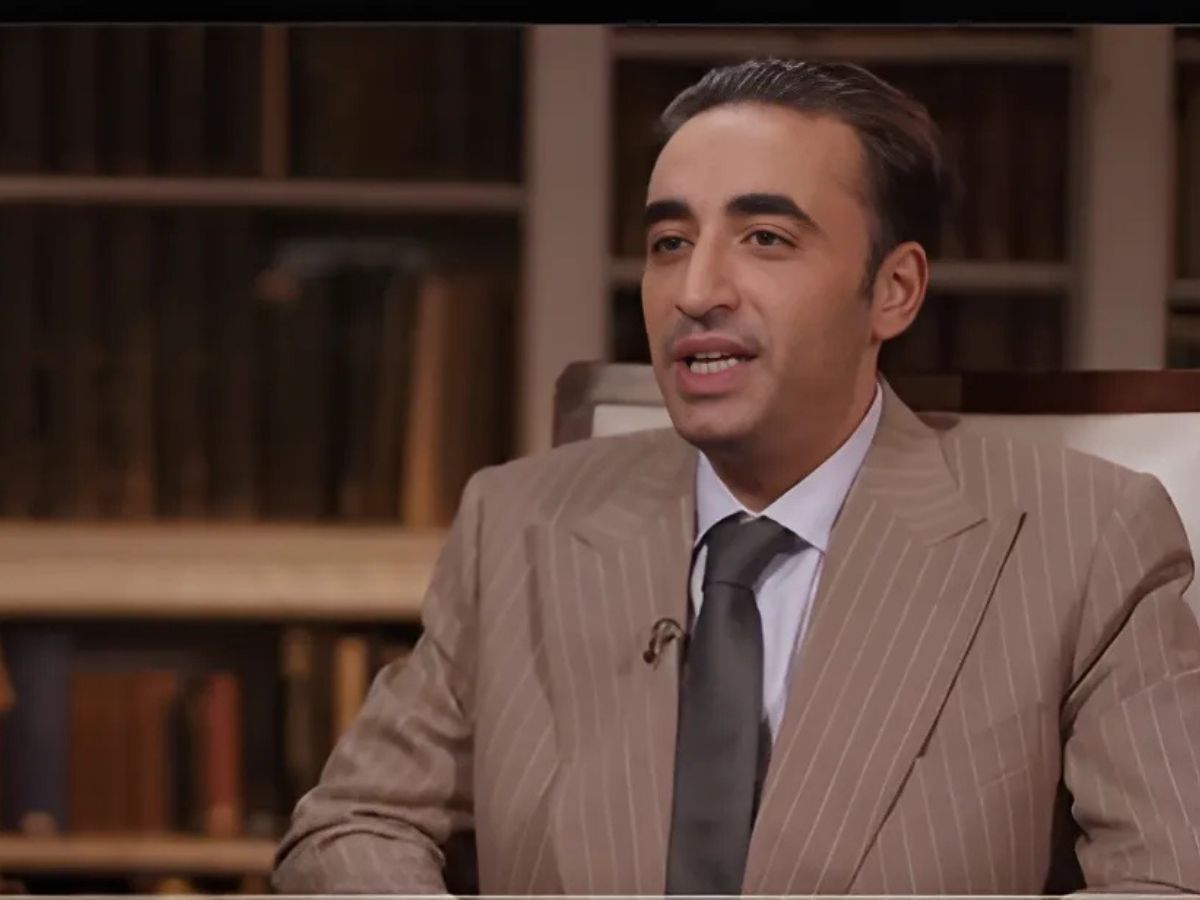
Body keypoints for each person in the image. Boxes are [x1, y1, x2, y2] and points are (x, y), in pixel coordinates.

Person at [272, 58, 1200, 895]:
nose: (695, 291)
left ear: (894, 291)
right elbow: (351, 825)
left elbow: (1167, 879)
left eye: (765, 238)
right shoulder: (517, 523)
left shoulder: (1086, 538)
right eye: (670, 243)